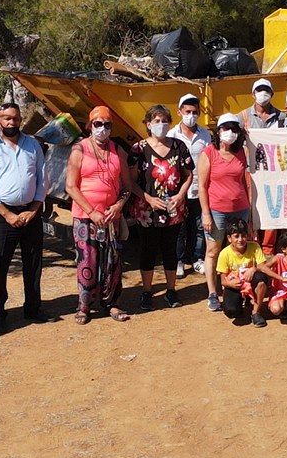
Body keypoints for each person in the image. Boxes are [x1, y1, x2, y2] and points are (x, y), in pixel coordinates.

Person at [0, 103, 50, 332]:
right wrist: (7, 214)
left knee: (34, 262)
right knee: (0, 265)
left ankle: (33, 308)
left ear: (20, 120)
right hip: (2, 215)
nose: (11, 122)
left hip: (31, 212)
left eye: (15, 118)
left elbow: (42, 178)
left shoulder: (33, 145)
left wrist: (35, 208)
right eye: (6, 118)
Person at [67, 106, 139, 324]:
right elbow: (71, 186)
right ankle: (84, 306)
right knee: (87, 261)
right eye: (98, 124)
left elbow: (127, 185)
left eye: (107, 124)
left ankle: (112, 302)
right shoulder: (79, 150)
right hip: (85, 216)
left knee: (112, 261)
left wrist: (118, 206)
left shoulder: (118, 150)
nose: (103, 128)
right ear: (90, 125)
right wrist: (91, 211)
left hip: (110, 217)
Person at [130, 103, 194, 310]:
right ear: (148, 124)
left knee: (171, 250)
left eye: (165, 121)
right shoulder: (139, 149)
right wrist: (147, 198)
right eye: (156, 121)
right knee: (147, 250)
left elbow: (188, 175)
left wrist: (180, 196)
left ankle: (171, 290)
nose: (161, 124)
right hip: (146, 210)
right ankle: (147, 291)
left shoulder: (178, 146)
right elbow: (131, 182)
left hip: (173, 209)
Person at [198, 113, 257, 312]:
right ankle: (212, 293)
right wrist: (205, 213)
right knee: (213, 251)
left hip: (240, 208)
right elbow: (202, 186)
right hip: (217, 211)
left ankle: (241, 287)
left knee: (242, 248)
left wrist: (250, 135)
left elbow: (246, 178)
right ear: (218, 131)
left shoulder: (241, 152)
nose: (229, 133)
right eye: (225, 128)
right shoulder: (208, 153)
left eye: (234, 129)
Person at [171, 94, 212, 278]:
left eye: (195, 112)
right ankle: (178, 261)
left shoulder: (205, 135)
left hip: (199, 188)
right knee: (178, 228)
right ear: (179, 112)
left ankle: (197, 258)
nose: (191, 115)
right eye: (187, 111)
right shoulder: (171, 135)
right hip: (178, 190)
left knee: (199, 226)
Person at [214, 218, 267, 324]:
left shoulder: (255, 247)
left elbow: (264, 267)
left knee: (261, 279)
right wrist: (231, 284)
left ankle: (255, 312)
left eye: (243, 235)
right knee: (231, 311)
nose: (240, 239)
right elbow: (223, 281)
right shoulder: (224, 253)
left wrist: (254, 268)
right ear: (229, 238)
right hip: (236, 284)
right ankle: (241, 302)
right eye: (236, 236)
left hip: (251, 281)